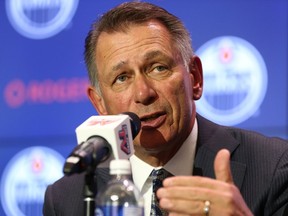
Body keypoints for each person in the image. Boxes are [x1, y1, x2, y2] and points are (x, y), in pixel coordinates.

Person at [43, 1, 288, 216]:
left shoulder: (273, 167)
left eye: (158, 67)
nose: (143, 93)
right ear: (99, 104)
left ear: (195, 78)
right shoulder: (67, 199)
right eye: (121, 78)